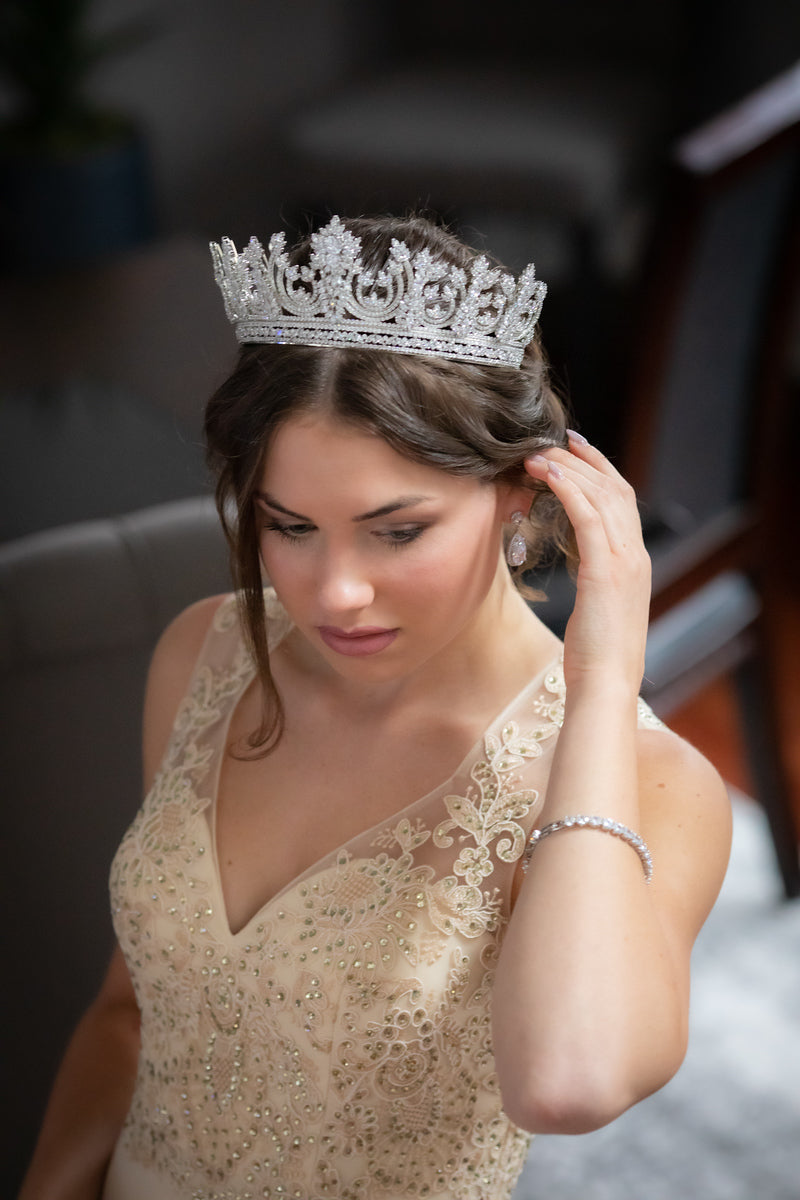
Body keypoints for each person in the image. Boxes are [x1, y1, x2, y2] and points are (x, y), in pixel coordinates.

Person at [19, 214, 731, 1200]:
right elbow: (131, 1012)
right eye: (289, 526)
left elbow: (567, 1082)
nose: (332, 592)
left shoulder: (653, 781)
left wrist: (601, 683)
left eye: (394, 532)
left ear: (521, 497)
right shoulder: (207, 653)